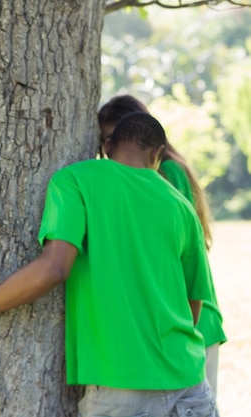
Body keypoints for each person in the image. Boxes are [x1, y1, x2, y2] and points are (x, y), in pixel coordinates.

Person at [0, 112, 217, 416]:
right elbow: (193, 306)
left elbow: (55, 267)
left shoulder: (76, 179)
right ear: (157, 155)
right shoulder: (182, 207)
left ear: (107, 145)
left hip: (121, 389)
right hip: (190, 384)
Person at [98, 94, 226, 406]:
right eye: (105, 140)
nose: (110, 148)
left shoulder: (168, 172)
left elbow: (178, 247)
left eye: (115, 138)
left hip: (191, 321)